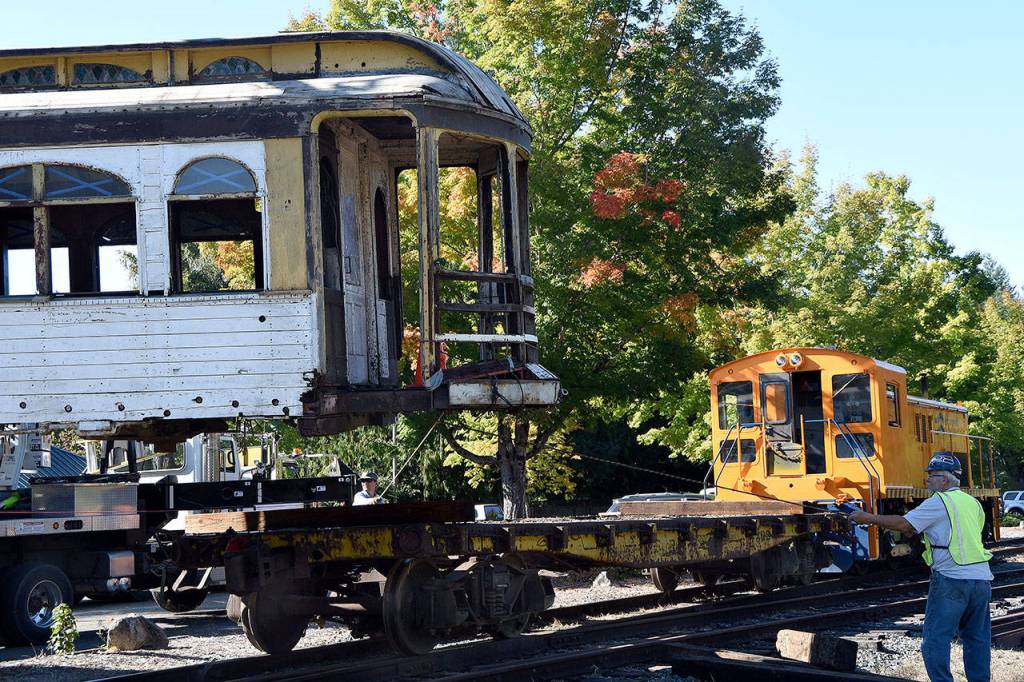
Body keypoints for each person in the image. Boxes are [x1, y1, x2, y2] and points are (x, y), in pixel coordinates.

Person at [850, 452, 993, 682]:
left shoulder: (939, 501)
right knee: (977, 638)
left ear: (945, 480)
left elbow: (903, 523)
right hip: (982, 580)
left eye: (932, 475)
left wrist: (867, 517)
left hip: (951, 578)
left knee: (936, 638)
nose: (927, 480)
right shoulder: (973, 503)